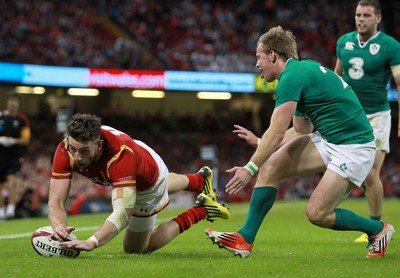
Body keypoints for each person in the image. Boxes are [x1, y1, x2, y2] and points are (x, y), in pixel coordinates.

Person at [205, 26, 395, 259]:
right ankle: (245, 239)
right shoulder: (301, 71)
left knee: (317, 214)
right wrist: (261, 142)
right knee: (271, 166)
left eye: (259, 57)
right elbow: (301, 129)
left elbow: (277, 133)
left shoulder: (291, 77)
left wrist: (249, 169)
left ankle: (378, 230)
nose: (257, 64)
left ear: (273, 55)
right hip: (331, 139)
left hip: (354, 147)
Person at [49, 113, 231, 254]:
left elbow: (122, 213)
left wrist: (91, 242)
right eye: (73, 149)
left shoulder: (120, 156)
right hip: (140, 155)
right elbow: (56, 200)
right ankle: (201, 179)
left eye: (84, 151)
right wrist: (58, 226)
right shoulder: (66, 149)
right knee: (164, 183)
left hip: (146, 181)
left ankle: (202, 209)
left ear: (98, 145)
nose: (77, 157)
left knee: (136, 249)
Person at [334, 0, 400, 243]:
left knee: (371, 173)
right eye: (358, 15)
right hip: (350, 115)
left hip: (377, 116)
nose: (360, 19)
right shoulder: (344, 42)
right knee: (352, 171)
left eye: (366, 15)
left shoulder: (390, 46)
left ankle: (375, 226)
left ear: (378, 19)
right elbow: (337, 78)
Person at [0, 92, 31, 220]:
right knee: (1, 184)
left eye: (15, 101)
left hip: (15, 155)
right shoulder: (1, 117)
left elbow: (26, 139)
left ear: (18, 104)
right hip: (1, 155)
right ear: (7, 102)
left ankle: (11, 209)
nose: (13, 103)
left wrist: (12, 141)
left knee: (12, 180)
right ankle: (1, 210)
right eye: (11, 100)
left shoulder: (22, 120)